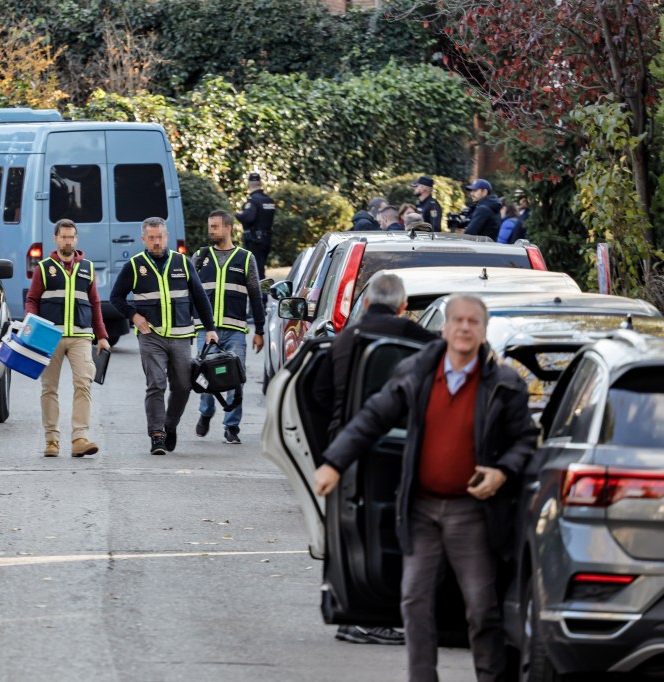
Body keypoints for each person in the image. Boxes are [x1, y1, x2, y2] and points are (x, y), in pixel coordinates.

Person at [314, 294, 538, 682]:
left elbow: (525, 441)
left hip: (472, 512)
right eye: (458, 321)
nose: (465, 327)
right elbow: (374, 416)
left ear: (483, 331)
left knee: (482, 608)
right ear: (446, 328)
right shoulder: (418, 371)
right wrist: (334, 462)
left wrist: (502, 472)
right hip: (420, 509)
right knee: (415, 603)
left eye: (473, 322)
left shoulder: (505, 383)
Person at [309, 272, 439, 647]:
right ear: (402, 307)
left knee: (345, 531)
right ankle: (372, 617)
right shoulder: (412, 335)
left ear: (365, 304)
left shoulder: (345, 337)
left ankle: (347, 613)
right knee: (384, 530)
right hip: (391, 446)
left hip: (342, 446)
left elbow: (316, 393)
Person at [110, 217, 219, 456]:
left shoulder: (183, 262)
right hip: (151, 336)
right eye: (151, 238)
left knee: (182, 386)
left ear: (166, 237)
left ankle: (170, 426)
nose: (156, 242)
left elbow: (200, 297)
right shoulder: (134, 265)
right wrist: (134, 316)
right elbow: (116, 297)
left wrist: (210, 328)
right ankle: (157, 435)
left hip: (181, 335)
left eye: (160, 237)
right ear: (143, 239)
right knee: (156, 384)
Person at [26, 219, 110, 458]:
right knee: (49, 388)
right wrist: (31, 325)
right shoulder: (44, 267)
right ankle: (51, 441)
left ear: (76, 239)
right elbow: (32, 300)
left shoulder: (88, 268)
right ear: (55, 239)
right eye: (63, 236)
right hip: (49, 336)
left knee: (84, 384)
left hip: (81, 336)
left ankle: (79, 439)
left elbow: (94, 303)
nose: (68, 240)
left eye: (71, 236)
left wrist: (102, 336)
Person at [191, 210, 266, 445]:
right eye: (209, 226)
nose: (211, 231)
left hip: (235, 330)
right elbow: (188, 291)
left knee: (236, 378)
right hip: (206, 330)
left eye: (215, 226)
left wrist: (260, 331)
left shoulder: (245, 258)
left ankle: (231, 427)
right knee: (204, 375)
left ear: (228, 229)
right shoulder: (200, 257)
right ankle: (206, 411)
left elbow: (255, 295)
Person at [235, 172, 276, 277]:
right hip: (267, 239)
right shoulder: (269, 201)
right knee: (261, 267)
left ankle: (261, 292)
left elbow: (248, 217)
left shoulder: (253, 201)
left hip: (255, 241)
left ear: (249, 183)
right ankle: (262, 291)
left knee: (256, 270)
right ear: (260, 183)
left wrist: (237, 215)